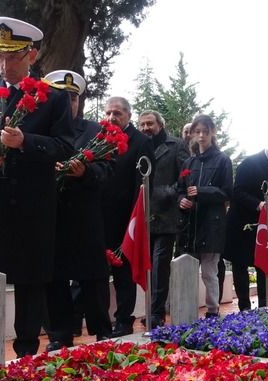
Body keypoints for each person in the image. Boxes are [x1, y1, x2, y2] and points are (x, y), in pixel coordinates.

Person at [0, 17, 74, 357]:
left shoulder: (53, 99)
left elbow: (65, 146)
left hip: (32, 208)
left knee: (30, 286)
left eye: (13, 57)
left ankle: (26, 356)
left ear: (31, 56)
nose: (4, 64)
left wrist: (26, 141)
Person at [42, 70, 113, 349]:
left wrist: (85, 172)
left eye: (73, 97)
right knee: (54, 278)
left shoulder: (95, 132)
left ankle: (102, 330)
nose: (68, 103)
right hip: (52, 215)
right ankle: (59, 333)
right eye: (62, 97)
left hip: (86, 217)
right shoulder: (40, 129)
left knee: (93, 277)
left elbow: (108, 171)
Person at [100, 97, 155, 337]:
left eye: (118, 113)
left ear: (129, 115)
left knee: (123, 274)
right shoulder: (99, 139)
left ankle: (123, 320)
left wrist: (135, 218)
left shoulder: (141, 142)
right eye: (109, 113)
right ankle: (101, 322)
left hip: (126, 219)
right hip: (100, 217)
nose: (112, 117)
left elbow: (142, 184)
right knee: (97, 274)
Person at [177, 115, 233, 318]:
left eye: (205, 131)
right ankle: (186, 308)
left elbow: (227, 192)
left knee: (210, 272)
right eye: (197, 131)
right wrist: (181, 200)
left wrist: (201, 192)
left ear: (212, 132)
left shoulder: (223, 160)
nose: (201, 136)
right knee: (187, 271)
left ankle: (212, 310)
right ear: (192, 133)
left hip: (211, 224)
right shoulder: (188, 162)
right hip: (190, 224)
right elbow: (180, 189)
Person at [224, 133, 268, 310]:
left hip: (261, 226)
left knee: (264, 264)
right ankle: (244, 307)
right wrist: (258, 204)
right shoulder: (250, 163)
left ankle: (264, 305)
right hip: (241, 224)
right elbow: (237, 192)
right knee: (240, 265)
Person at [138, 110, 189, 328]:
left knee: (160, 265)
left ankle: (157, 313)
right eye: (142, 125)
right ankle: (150, 308)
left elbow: (186, 175)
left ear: (160, 124)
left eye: (150, 124)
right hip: (143, 214)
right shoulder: (139, 145)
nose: (146, 128)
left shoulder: (176, 145)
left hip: (167, 215)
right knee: (145, 265)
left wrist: (170, 192)